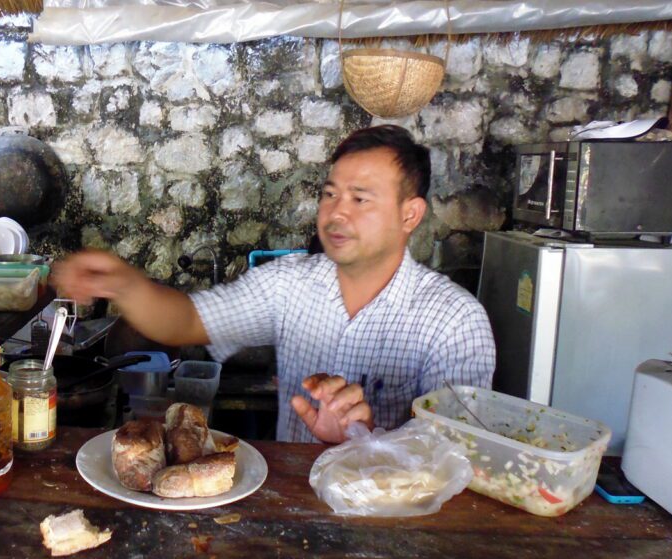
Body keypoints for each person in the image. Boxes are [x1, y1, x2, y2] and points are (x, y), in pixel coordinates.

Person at [53, 125, 495, 444]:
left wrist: (364, 440)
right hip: (289, 516)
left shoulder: (454, 322)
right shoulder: (289, 284)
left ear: (409, 215)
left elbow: (457, 461)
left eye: (360, 198)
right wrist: (124, 283)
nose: (336, 212)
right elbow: (186, 320)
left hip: (392, 530)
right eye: (329, 194)